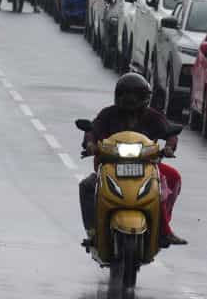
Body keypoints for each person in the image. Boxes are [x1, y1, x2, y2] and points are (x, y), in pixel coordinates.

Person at [78, 74, 186, 247]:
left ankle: (163, 229)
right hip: (110, 165)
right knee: (87, 186)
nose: (131, 100)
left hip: (147, 166)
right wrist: (90, 144)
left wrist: (169, 147)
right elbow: (92, 130)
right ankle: (93, 231)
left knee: (171, 179)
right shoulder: (107, 114)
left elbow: (170, 133)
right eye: (126, 94)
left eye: (136, 95)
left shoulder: (154, 116)